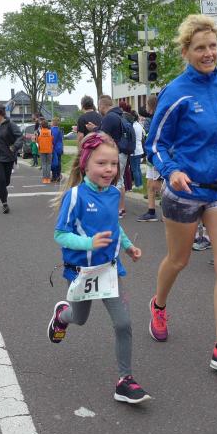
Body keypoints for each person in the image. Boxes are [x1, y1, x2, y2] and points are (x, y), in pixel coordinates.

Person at [144, 14, 217, 374]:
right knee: (179, 261)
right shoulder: (176, 92)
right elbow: (155, 144)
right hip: (185, 190)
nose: (208, 53)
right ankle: (159, 305)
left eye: (213, 46)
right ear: (186, 52)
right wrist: (171, 171)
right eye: (200, 48)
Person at [46, 132, 150, 404]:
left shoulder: (114, 193)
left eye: (113, 164)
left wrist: (128, 246)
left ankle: (125, 380)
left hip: (109, 270)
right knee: (79, 318)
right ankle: (62, 316)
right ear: (85, 164)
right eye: (101, 163)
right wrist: (88, 243)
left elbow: (114, 226)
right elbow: (60, 234)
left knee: (123, 323)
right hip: (82, 272)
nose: (109, 169)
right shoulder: (75, 196)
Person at [98, 95, 132, 217]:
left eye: (99, 106)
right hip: (123, 152)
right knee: (120, 180)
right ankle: (120, 209)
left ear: (102, 105)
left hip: (116, 152)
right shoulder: (120, 115)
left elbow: (102, 136)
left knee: (114, 181)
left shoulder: (109, 117)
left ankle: (114, 210)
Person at [138, 94, 163, 222]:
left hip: (156, 155)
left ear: (151, 106)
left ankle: (166, 213)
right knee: (150, 184)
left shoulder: (157, 119)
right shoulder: (151, 119)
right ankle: (151, 211)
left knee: (157, 185)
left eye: (146, 104)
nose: (145, 107)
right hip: (151, 155)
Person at [130, 112, 145, 188]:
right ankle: (140, 184)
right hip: (139, 148)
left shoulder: (133, 126)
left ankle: (137, 185)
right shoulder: (139, 125)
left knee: (134, 169)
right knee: (138, 168)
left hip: (135, 150)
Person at [37, 119, 53, 183]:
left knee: (44, 164)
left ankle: (44, 179)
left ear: (41, 125)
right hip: (49, 149)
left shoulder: (39, 132)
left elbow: (37, 140)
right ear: (47, 125)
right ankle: (48, 179)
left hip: (42, 149)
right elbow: (52, 139)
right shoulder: (50, 131)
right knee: (48, 164)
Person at [50, 117, 64, 183]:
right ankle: (58, 176)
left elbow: (53, 140)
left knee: (54, 163)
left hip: (55, 148)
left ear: (53, 122)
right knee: (58, 162)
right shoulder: (59, 130)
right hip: (59, 148)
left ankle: (54, 176)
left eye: (51, 121)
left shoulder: (53, 130)